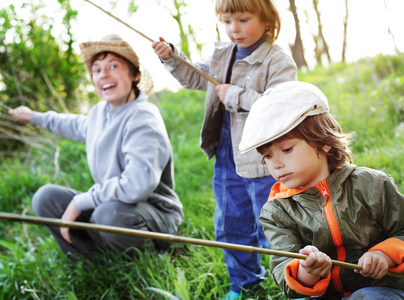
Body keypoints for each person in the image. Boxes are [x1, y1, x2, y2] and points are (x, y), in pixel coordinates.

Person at [152, 0, 297, 298]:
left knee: (272, 226)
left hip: (263, 162)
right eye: (227, 20)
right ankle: (244, 284)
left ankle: (296, 285)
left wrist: (237, 96)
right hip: (227, 158)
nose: (234, 28)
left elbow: (283, 107)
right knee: (230, 224)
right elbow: (196, 77)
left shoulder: (277, 60)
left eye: (243, 19)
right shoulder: (223, 53)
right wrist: (172, 58)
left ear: (267, 19)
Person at [8, 34, 184, 261]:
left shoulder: (143, 119)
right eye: (97, 70)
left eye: (113, 66)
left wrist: (80, 202)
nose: (104, 75)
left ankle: (152, 261)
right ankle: (96, 263)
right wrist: (33, 117)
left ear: (135, 75)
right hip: (115, 206)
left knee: (107, 213)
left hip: (155, 215)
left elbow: (136, 186)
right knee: (45, 198)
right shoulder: (99, 114)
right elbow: (71, 124)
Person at [238, 81, 404, 299]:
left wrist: (385, 255)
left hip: (386, 291)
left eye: (287, 149)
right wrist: (307, 271)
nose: (275, 164)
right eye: (267, 156)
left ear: (324, 142)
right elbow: (283, 266)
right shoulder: (276, 212)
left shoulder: (374, 185)